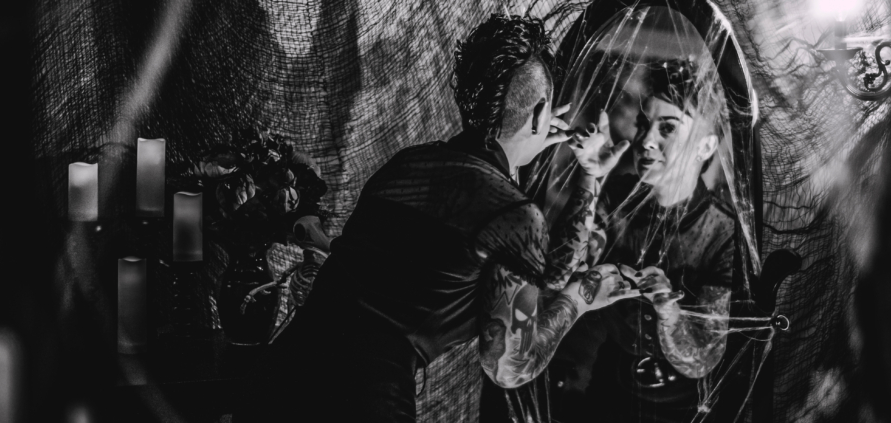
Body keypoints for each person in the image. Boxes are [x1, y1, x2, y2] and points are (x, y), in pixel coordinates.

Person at [235, 14, 638, 422]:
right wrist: (584, 295)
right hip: (357, 405)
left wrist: (559, 164)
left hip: (271, 385)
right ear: (539, 116)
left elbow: (535, 271)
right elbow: (509, 366)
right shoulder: (514, 215)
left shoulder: (406, 166)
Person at [546, 59, 739, 423]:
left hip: (686, 409)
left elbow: (703, 358)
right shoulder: (618, 197)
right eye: (644, 124)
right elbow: (556, 276)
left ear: (706, 145)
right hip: (611, 387)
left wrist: (668, 309)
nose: (647, 141)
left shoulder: (723, 232)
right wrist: (589, 178)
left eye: (668, 128)